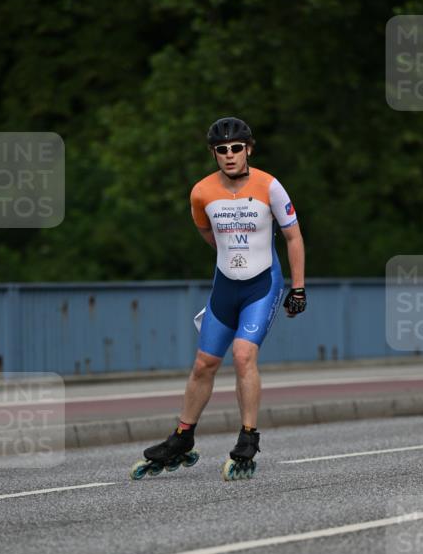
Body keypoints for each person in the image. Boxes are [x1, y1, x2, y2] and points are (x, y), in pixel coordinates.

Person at [131, 116, 306, 481]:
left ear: (249, 149)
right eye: (222, 150)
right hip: (225, 286)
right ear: (214, 153)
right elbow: (207, 233)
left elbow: (293, 237)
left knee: (243, 355)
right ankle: (182, 438)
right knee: (203, 364)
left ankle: (248, 437)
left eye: (236, 148)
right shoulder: (201, 192)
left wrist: (298, 288)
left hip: (262, 285)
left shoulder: (270, 186)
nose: (230, 155)